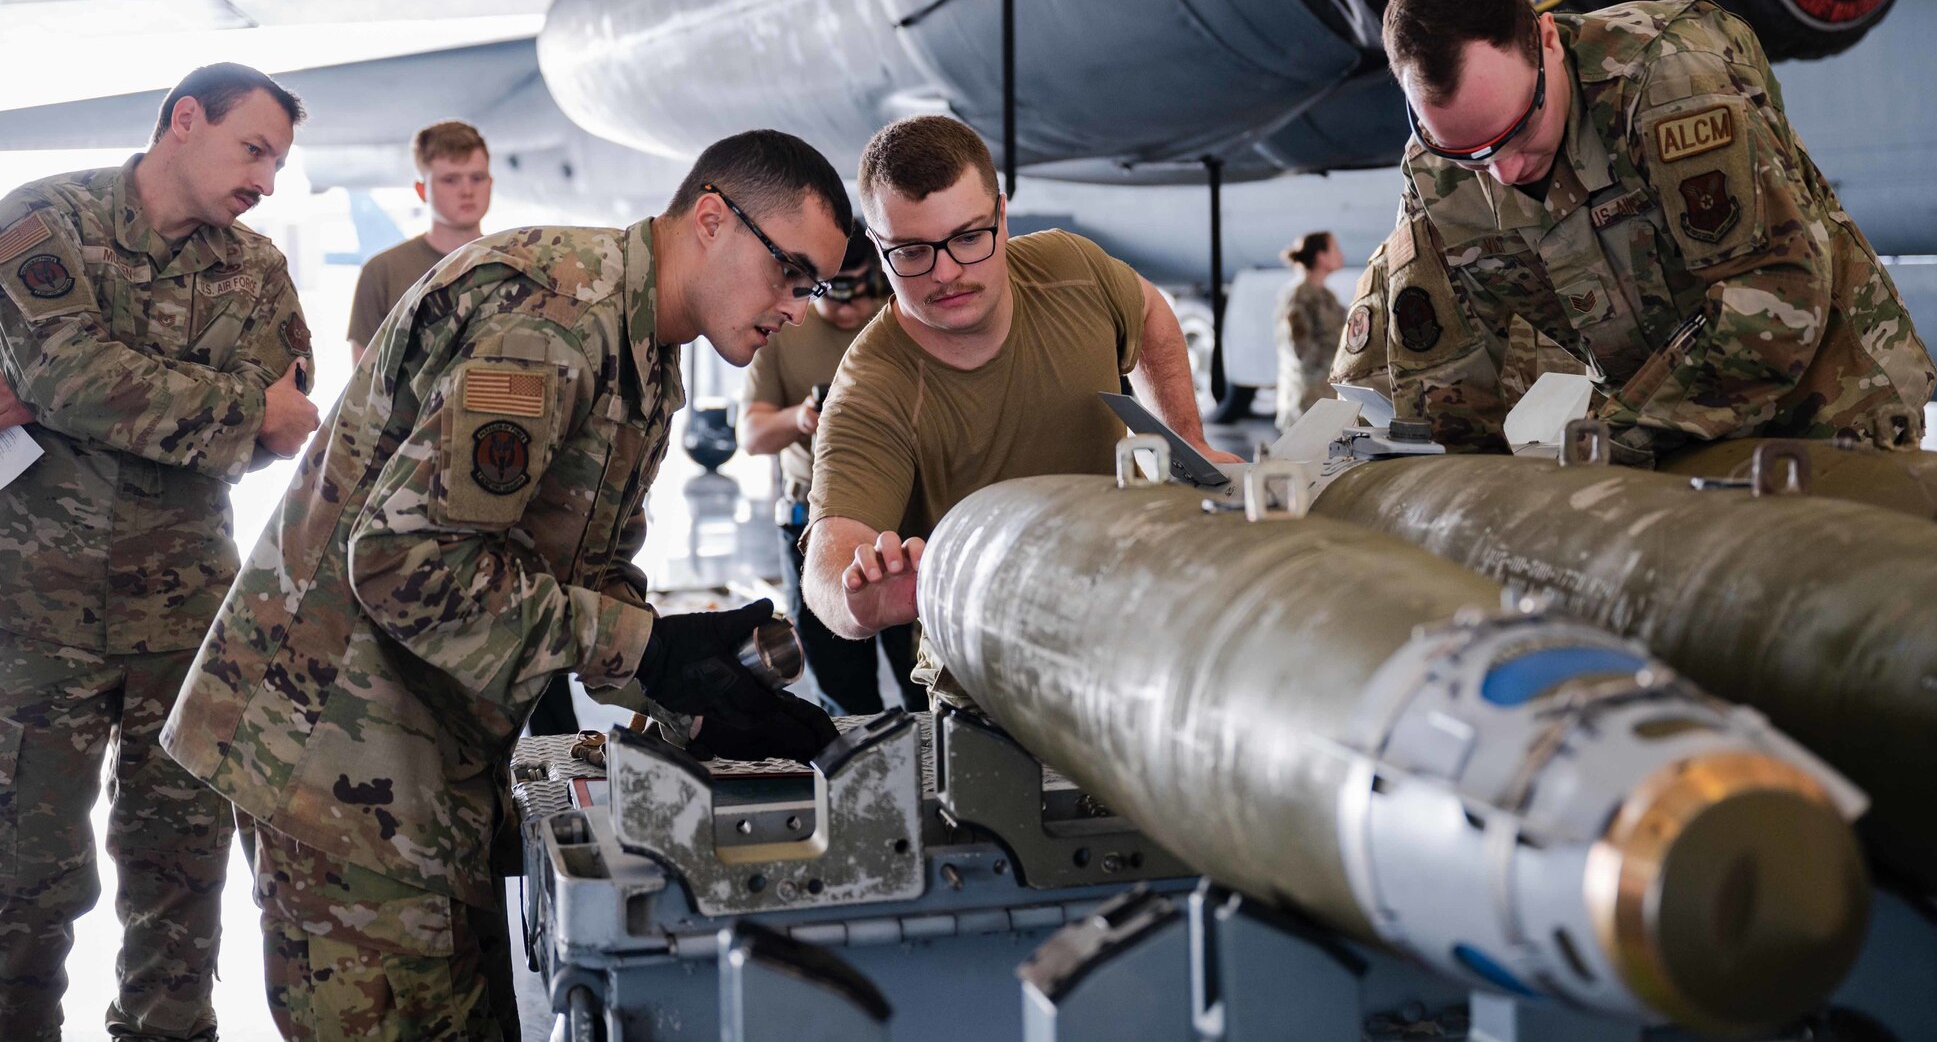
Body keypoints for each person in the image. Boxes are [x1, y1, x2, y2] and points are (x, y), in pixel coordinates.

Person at [161, 130, 847, 1041]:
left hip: (428, 758)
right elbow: (405, 560)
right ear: (714, 219)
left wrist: (687, 686)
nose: (799, 308)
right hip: (335, 755)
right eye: (793, 272)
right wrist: (646, 649)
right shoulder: (558, 318)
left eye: (817, 286)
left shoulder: (642, 347)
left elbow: (580, 571)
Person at [0, 62, 321, 1042]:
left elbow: (290, 420)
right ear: (185, 120)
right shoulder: (45, 221)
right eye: (253, 149)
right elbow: (72, 375)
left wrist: (83, 397)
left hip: (187, 624)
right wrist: (222, 404)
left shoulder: (256, 269)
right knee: (25, 883)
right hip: (34, 620)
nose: (266, 181)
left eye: (277, 162)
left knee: (179, 883)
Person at [1344, 0, 1935, 463]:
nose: (1501, 171)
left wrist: (1619, 438)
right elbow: (1446, 386)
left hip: (1830, 402)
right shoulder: (1435, 170)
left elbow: (1776, 293)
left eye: (1520, 132)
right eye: (1466, 152)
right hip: (1661, 422)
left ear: (1545, 39)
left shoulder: (1667, 80)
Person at [802, 116, 1237, 709]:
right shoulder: (874, 387)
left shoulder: (1070, 270)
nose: (947, 271)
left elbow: (1151, 313)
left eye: (968, 237)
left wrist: (1190, 442)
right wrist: (860, 601)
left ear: (1002, 217)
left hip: (1130, 627)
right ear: (879, 249)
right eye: (911, 251)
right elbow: (830, 552)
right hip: (990, 674)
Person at [740, 225, 922, 715]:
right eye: (833, 294)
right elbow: (752, 434)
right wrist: (799, 418)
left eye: (860, 292)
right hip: (810, 525)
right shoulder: (787, 328)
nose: (847, 309)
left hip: (903, 528)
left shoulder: (905, 318)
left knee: (924, 680)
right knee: (842, 690)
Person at [347, 120, 494, 364]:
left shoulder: (512, 265)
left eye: (477, 178)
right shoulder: (383, 272)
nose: (467, 190)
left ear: (490, 183)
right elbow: (363, 384)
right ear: (422, 190)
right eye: (450, 180)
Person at [1274, 230, 1346, 430]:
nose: (1341, 255)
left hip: (1325, 402)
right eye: (1335, 249)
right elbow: (1301, 351)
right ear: (1321, 257)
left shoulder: (1327, 296)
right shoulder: (1297, 297)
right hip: (1305, 408)